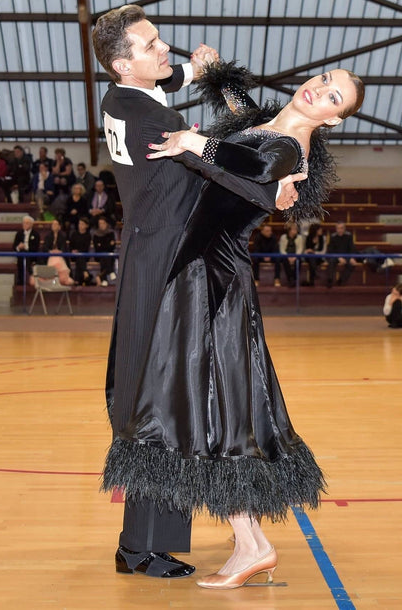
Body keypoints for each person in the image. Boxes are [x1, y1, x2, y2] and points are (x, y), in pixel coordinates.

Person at [108, 55, 364, 589]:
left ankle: (253, 542)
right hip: (199, 270)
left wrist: (191, 143)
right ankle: (249, 541)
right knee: (209, 405)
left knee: (208, 405)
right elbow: (238, 109)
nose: (320, 91)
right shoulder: (273, 125)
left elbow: (250, 166)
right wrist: (216, 70)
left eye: (334, 97)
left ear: (335, 120)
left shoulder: (291, 147)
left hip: (212, 278)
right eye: (323, 81)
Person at [93, 5, 309, 584]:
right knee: (156, 398)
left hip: (157, 251)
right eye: (151, 45)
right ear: (122, 63)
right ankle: (142, 545)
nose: (165, 50)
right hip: (165, 259)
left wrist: (196, 72)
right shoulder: (143, 118)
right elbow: (205, 161)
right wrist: (274, 194)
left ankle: (144, 542)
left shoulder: (123, 96)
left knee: (157, 397)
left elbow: (166, 82)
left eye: (160, 39)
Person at [326, 221, 358, 287]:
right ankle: (330, 280)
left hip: (346, 256)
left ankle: (341, 280)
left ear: (344, 228)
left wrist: (351, 257)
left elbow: (352, 248)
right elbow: (330, 250)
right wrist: (338, 257)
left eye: (341, 228)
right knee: (331, 261)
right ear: (336, 229)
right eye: (338, 228)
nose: (340, 230)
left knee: (352, 264)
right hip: (335, 256)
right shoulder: (333, 237)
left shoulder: (349, 236)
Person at [13, 215, 40, 285]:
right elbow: (14, 247)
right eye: (24, 223)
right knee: (22, 255)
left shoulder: (36, 234)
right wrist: (18, 247)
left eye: (27, 223)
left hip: (32, 254)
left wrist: (26, 247)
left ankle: (28, 275)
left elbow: (36, 247)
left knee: (24, 254)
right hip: (21, 255)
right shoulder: (19, 234)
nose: (25, 224)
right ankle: (24, 277)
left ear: (31, 224)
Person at [93, 216, 117, 286]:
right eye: (100, 223)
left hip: (109, 255)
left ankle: (104, 279)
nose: (101, 225)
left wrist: (102, 245)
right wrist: (107, 244)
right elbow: (97, 248)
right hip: (98, 255)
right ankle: (111, 271)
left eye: (103, 223)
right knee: (104, 255)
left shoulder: (111, 233)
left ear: (106, 224)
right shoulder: (96, 234)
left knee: (106, 256)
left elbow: (112, 247)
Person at [279, 222, 304, 287]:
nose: (296, 231)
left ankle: (295, 279)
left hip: (296, 255)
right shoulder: (283, 237)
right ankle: (290, 279)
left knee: (298, 261)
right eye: (294, 229)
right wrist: (288, 257)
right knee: (285, 261)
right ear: (289, 230)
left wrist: (294, 257)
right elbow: (282, 249)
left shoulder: (299, 237)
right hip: (286, 256)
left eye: (296, 229)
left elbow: (300, 249)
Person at [69, 217, 93, 286]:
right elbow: (71, 245)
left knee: (80, 257)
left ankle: (77, 280)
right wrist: (73, 251)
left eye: (82, 224)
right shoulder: (74, 234)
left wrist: (78, 251)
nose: (80, 225)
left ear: (86, 226)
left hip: (84, 255)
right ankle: (85, 272)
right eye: (79, 224)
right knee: (79, 257)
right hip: (73, 255)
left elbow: (86, 248)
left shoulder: (88, 235)